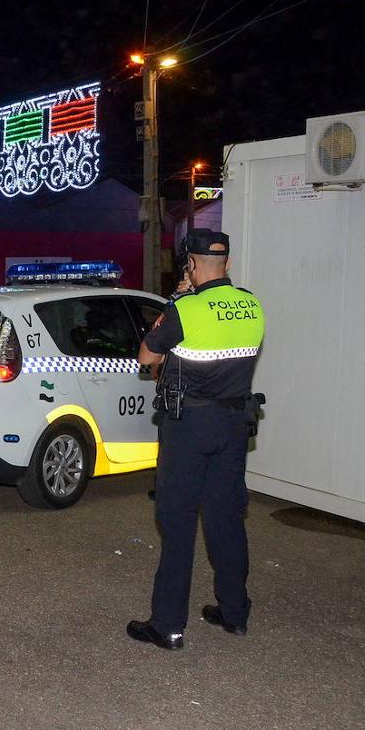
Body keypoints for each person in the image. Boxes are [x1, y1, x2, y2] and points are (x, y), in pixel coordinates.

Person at [128, 229, 266, 650]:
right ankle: (234, 613)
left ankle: (167, 625)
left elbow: (147, 356)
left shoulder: (185, 309)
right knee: (226, 519)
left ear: (190, 263)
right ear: (225, 262)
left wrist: (178, 299)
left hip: (188, 427)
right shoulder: (252, 304)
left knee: (178, 522)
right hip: (232, 427)